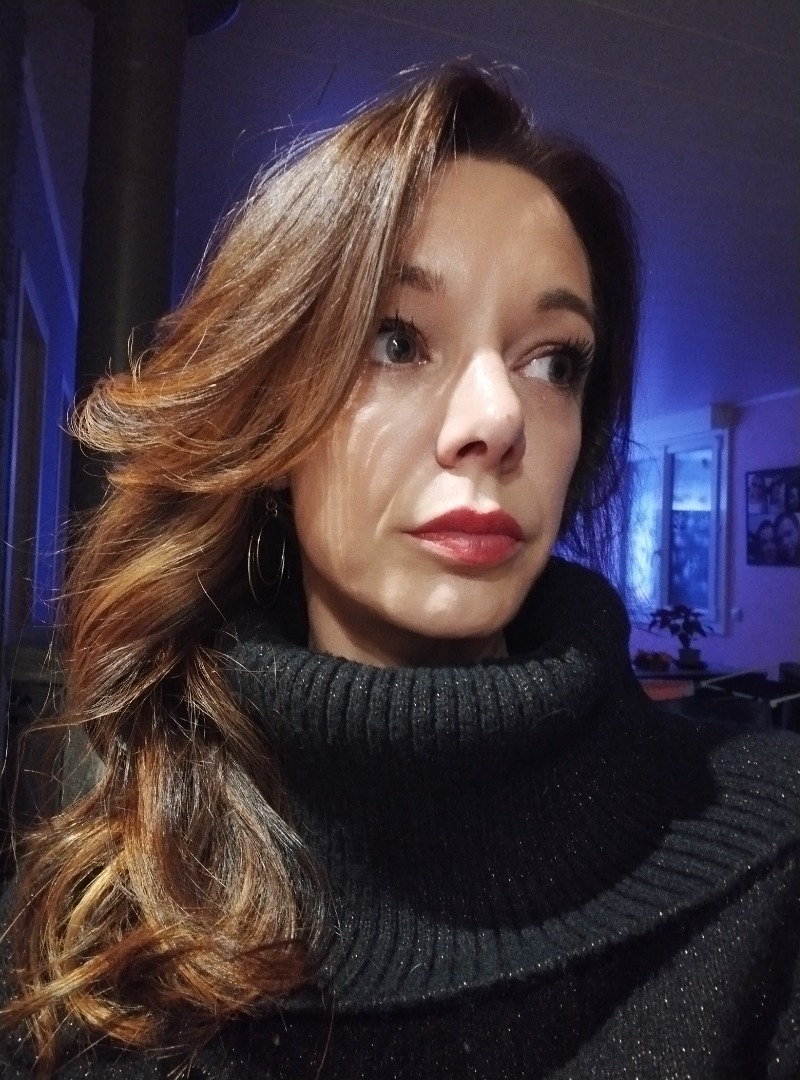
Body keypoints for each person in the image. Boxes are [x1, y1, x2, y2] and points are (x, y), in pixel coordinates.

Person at [1, 65, 799, 1080]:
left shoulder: (770, 860)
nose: (498, 419)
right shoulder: (106, 867)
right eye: (396, 340)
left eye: (554, 361)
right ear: (272, 414)